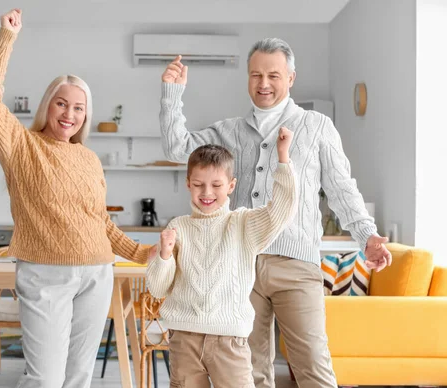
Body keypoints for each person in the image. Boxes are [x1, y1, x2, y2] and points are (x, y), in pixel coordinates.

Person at [158, 38, 392, 387]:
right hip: (239, 268)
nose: (263, 84)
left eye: (273, 75)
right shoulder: (229, 131)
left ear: (291, 78)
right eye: (255, 75)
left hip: (296, 265)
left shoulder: (316, 127)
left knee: (312, 363)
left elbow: (342, 191)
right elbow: (177, 148)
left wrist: (367, 236)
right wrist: (172, 95)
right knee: (250, 370)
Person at [0, 8, 154, 388]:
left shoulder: (89, 159)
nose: (69, 114)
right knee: (45, 379)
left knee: (78, 378)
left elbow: (100, 222)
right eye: (61, 103)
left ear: (86, 115)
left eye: (78, 107)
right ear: (47, 104)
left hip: (97, 273)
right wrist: (6, 40)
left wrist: (139, 253)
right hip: (45, 275)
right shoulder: (21, 145)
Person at [147, 128, 297, 388]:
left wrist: (283, 158)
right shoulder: (178, 227)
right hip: (184, 338)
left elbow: (281, 210)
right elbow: (158, 288)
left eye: (216, 185)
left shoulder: (243, 223)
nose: (207, 192)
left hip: (229, 340)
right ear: (188, 184)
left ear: (231, 186)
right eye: (198, 185)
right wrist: (164, 255)